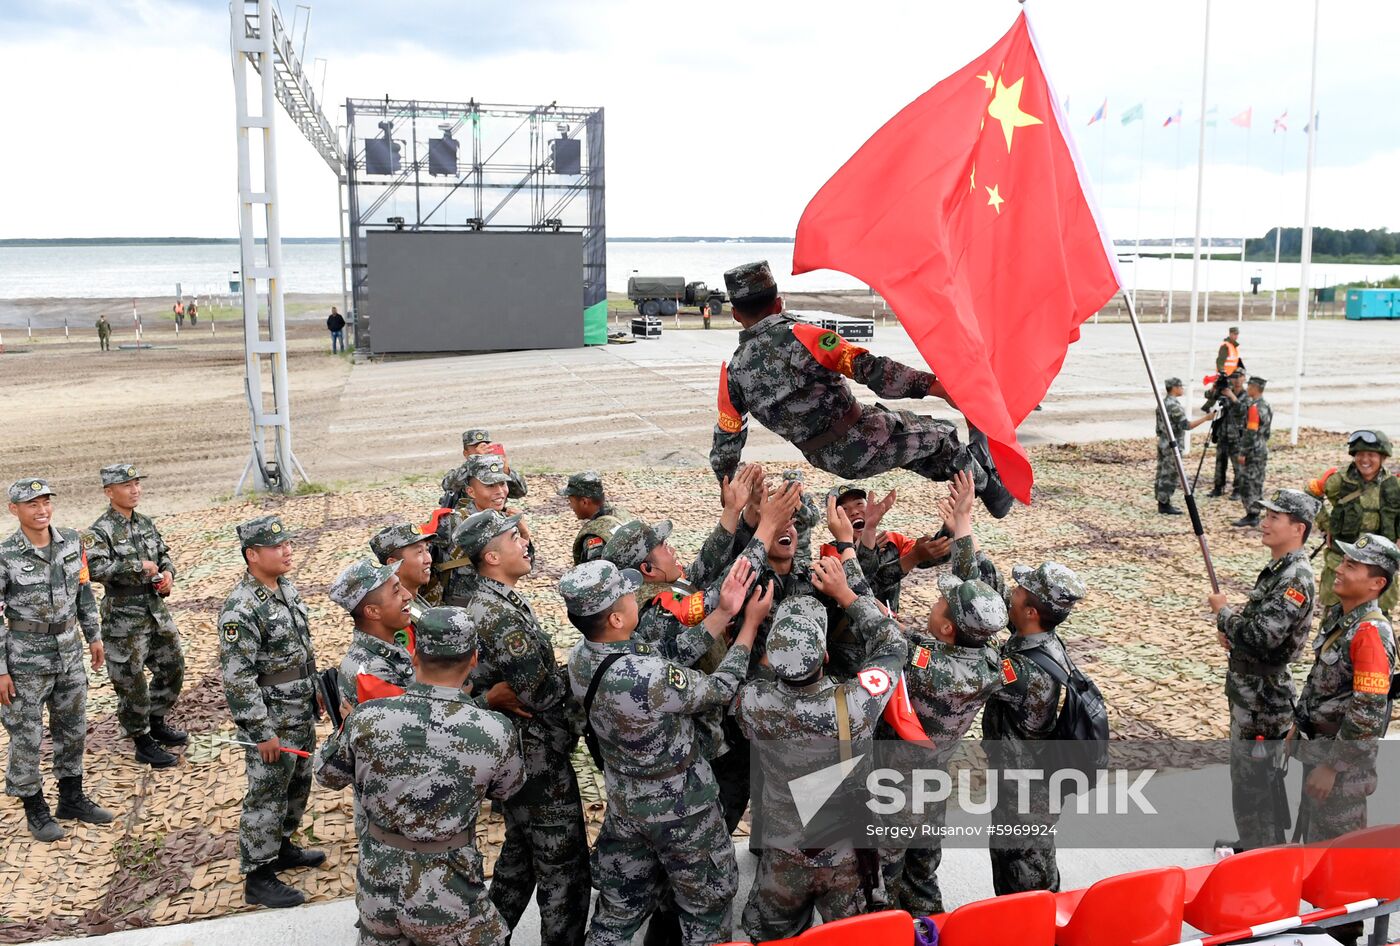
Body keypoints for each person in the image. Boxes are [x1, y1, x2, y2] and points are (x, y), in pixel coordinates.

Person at [709, 260, 1014, 518]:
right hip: (863, 436)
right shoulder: (803, 336)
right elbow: (871, 370)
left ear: (736, 314)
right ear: (779, 303)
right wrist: (938, 387)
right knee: (944, 437)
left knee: (921, 443)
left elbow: (727, 440)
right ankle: (995, 494)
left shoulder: (733, 373)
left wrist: (730, 489)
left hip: (829, 459)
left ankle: (974, 466)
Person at [561, 558, 764, 945]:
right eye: (627, 594)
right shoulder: (646, 677)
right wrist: (749, 627)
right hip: (682, 811)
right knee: (706, 909)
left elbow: (668, 653)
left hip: (626, 805)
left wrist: (723, 613)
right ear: (616, 619)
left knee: (618, 913)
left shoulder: (583, 658)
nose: (635, 595)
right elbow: (720, 688)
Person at [313, 606, 526, 946]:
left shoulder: (367, 719)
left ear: (414, 656)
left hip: (378, 886)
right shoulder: (494, 730)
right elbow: (507, 788)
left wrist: (346, 729)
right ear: (472, 659)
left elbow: (326, 775)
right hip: (449, 888)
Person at [736, 549, 911, 941]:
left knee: (773, 936)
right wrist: (847, 594)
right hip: (844, 854)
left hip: (782, 853)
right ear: (826, 655)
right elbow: (894, 643)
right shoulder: (856, 703)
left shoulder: (753, 703)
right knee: (851, 936)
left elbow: (751, 679)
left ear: (773, 659)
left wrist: (754, 627)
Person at [942, 471, 1088, 896]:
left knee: (1024, 879)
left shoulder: (1027, 673)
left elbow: (971, 662)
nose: (1011, 593)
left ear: (1029, 612)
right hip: (1028, 781)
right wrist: (963, 529)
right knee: (1030, 862)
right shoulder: (1039, 639)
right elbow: (987, 588)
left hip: (1027, 793)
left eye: (1020, 592)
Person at [457, 509, 590, 946]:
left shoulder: (495, 599)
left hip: (518, 754)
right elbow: (540, 695)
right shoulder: (499, 615)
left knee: (520, 862)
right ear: (492, 556)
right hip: (535, 759)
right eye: (515, 538)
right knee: (564, 872)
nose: (525, 543)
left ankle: (487, 939)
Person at [885, 569, 1007, 916]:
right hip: (935, 780)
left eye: (940, 602)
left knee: (884, 868)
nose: (935, 603)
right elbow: (921, 643)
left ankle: (884, 927)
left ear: (948, 627)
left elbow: (891, 642)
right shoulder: (990, 663)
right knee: (923, 864)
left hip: (896, 787)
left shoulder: (925, 668)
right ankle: (930, 921)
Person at [217, 515, 325, 908]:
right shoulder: (241, 608)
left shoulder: (285, 589)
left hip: (298, 710)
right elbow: (238, 678)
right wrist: (260, 731)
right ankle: (258, 875)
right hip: (272, 717)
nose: (287, 550)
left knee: (297, 784)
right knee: (266, 794)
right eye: (277, 547)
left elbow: (300, 653)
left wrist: (316, 694)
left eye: (288, 544)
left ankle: (281, 847)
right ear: (252, 555)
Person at [0, 478, 113, 842]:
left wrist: (93, 636)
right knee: (27, 735)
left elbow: (83, 592)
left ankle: (72, 798)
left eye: (46, 501)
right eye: (32, 504)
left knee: (73, 727)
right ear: (14, 509)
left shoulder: (71, 542)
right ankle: (35, 808)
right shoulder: (5, 556)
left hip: (68, 651)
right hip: (24, 660)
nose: (41, 510)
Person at [1207, 488, 1318, 852]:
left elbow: (1263, 636)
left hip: (1264, 699)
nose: (1265, 523)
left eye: (1274, 517)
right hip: (1250, 692)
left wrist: (1224, 613)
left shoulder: (1295, 578)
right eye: (1265, 515)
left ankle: (1265, 857)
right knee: (1247, 779)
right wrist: (1236, 638)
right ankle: (1252, 844)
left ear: (1298, 528)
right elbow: (1258, 633)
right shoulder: (1280, 569)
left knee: (1258, 780)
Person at [1292, 534, 1397, 844]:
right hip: (1322, 751)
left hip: (1343, 770)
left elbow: (1368, 713)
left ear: (1376, 583)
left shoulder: (1370, 633)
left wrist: (1332, 767)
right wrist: (1299, 724)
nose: (1339, 569)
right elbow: (1321, 683)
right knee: (1315, 845)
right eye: (1343, 561)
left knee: (1337, 854)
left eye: (1352, 565)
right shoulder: (1344, 618)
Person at [86, 463, 185, 770]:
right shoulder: (99, 531)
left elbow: (165, 556)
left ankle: (155, 720)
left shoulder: (145, 523)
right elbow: (96, 570)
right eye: (127, 485)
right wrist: (137, 567)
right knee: (131, 681)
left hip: (155, 610)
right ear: (109, 492)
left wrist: (167, 574)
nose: (134, 489)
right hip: (123, 618)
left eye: (137, 483)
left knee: (173, 666)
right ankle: (141, 740)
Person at [1312, 430, 1400, 615]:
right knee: (1334, 615)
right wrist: (1326, 524)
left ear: (1383, 457)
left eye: (1371, 455)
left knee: (1377, 617)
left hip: (1377, 566)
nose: (1364, 460)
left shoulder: (1394, 485)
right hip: (1341, 560)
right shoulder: (1337, 479)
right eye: (1360, 454)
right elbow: (1310, 493)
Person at [823, 484, 950, 608]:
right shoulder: (831, 554)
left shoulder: (892, 541)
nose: (854, 512)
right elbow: (858, 588)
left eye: (859, 504)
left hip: (890, 625)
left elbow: (931, 557)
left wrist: (950, 527)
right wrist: (866, 550)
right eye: (843, 509)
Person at [328, 558, 414, 710]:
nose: (407, 595)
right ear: (373, 611)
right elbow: (416, 725)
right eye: (396, 590)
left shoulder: (387, 648)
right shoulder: (372, 671)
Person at [1156, 377, 1212, 515]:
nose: (1182, 388)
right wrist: (1206, 418)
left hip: (1163, 442)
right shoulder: (1173, 406)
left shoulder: (1163, 403)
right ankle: (1164, 503)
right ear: (1174, 387)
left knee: (1162, 471)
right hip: (1172, 444)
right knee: (1170, 473)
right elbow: (1186, 425)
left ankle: (1162, 500)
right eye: (1180, 386)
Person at [441, 429, 528, 507]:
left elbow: (520, 493)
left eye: (486, 445)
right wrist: (475, 461)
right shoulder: (462, 472)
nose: (483, 449)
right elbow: (447, 485)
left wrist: (506, 470)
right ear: (466, 454)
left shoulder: (496, 470)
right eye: (476, 446)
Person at [561, 471, 630, 565]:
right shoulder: (621, 514)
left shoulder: (595, 537)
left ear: (584, 502)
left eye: (571, 501)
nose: (570, 506)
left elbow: (596, 576)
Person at [369, 521, 436, 613]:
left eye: (427, 550)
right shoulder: (399, 613)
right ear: (394, 565)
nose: (429, 559)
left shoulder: (412, 598)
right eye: (419, 552)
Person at [1233, 376, 1273, 527]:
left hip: (1253, 449)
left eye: (1249, 386)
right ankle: (1256, 511)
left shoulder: (1255, 407)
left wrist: (1243, 452)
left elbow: (1250, 432)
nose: (1247, 388)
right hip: (1261, 446)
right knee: (1257, 480)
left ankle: (1252, 513)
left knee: (1247, 482)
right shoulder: (1266, 405)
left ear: (1255, 388)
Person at [1209, 371, 1248, 499]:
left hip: (1237, 435)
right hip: (1223, 432)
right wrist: (1215, 388)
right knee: (1220, 462)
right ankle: (1218, 487)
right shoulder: (1225, 390)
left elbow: (1242, 411)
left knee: (1237, 464)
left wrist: (1232, 397)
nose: (1236, 380)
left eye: (1239, 377)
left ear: (1244, 378)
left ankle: (1238, 489)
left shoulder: (1246, 395)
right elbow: (1209, 397)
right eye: (1233, 377)